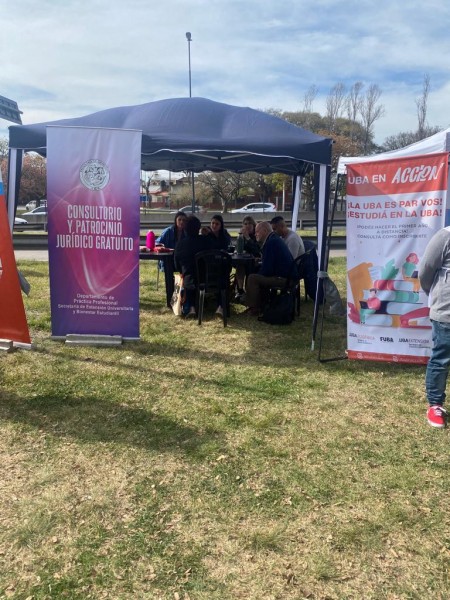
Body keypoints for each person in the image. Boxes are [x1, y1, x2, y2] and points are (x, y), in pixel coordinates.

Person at [419, 227, 450, 428]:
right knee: (441, 358)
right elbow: (425, 272)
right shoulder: (445, 236)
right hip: (446, 314)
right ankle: (435, 405)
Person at [244, 221, 294, 316]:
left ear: (265, 230)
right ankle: (260, 303)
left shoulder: (270, 243)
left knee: (252, 278)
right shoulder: (274, 239)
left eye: (257, 231)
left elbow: (267, 270)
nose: (255, 234)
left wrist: (258, 270)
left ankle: (254, 308)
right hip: (288, 276)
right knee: (256, 275)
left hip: (284, 279)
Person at [174, 215, 214, 318]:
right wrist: (209, 234)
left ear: (185, 228)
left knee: (187, 279)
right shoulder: (206, 241)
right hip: (206, 277)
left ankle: (190, 307)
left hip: (188, 278)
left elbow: (176, 264)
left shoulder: (180, 244)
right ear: (198, 228)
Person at [234, 216, 261, 301]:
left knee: (247, 266)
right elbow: (238, 249)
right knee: (240, 266)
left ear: (254, 225)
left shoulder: (257, 234)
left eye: (249, 223)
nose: (247, 225)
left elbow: (257, 250)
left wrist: (248, 238)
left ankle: (249, 293)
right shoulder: (242, 236)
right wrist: (241, 237)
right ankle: (240, 290)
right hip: (244, 260)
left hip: (256, 262)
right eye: (245, 224)